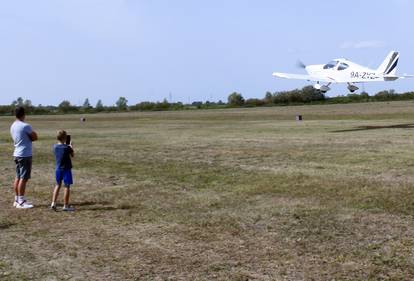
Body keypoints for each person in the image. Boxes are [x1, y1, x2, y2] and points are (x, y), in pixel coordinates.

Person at [10, 106, 38, 209]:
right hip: (25, 155)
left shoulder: (13, 125)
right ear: (23, 114)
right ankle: (21, 201)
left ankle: (17, 199)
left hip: (17, 153)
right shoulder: (26, 126)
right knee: (23, 178)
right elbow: (35, 137)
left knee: (18, 177)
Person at [50, 130, 75, 211]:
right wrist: (71, 146)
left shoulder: (55, 147)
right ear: (65, 138)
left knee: (57, 185)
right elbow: (72, 155)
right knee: (67, 186)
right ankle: (66, 205)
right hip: (66, 169)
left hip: (58, 169)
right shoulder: (67, 147)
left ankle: (53, 203)